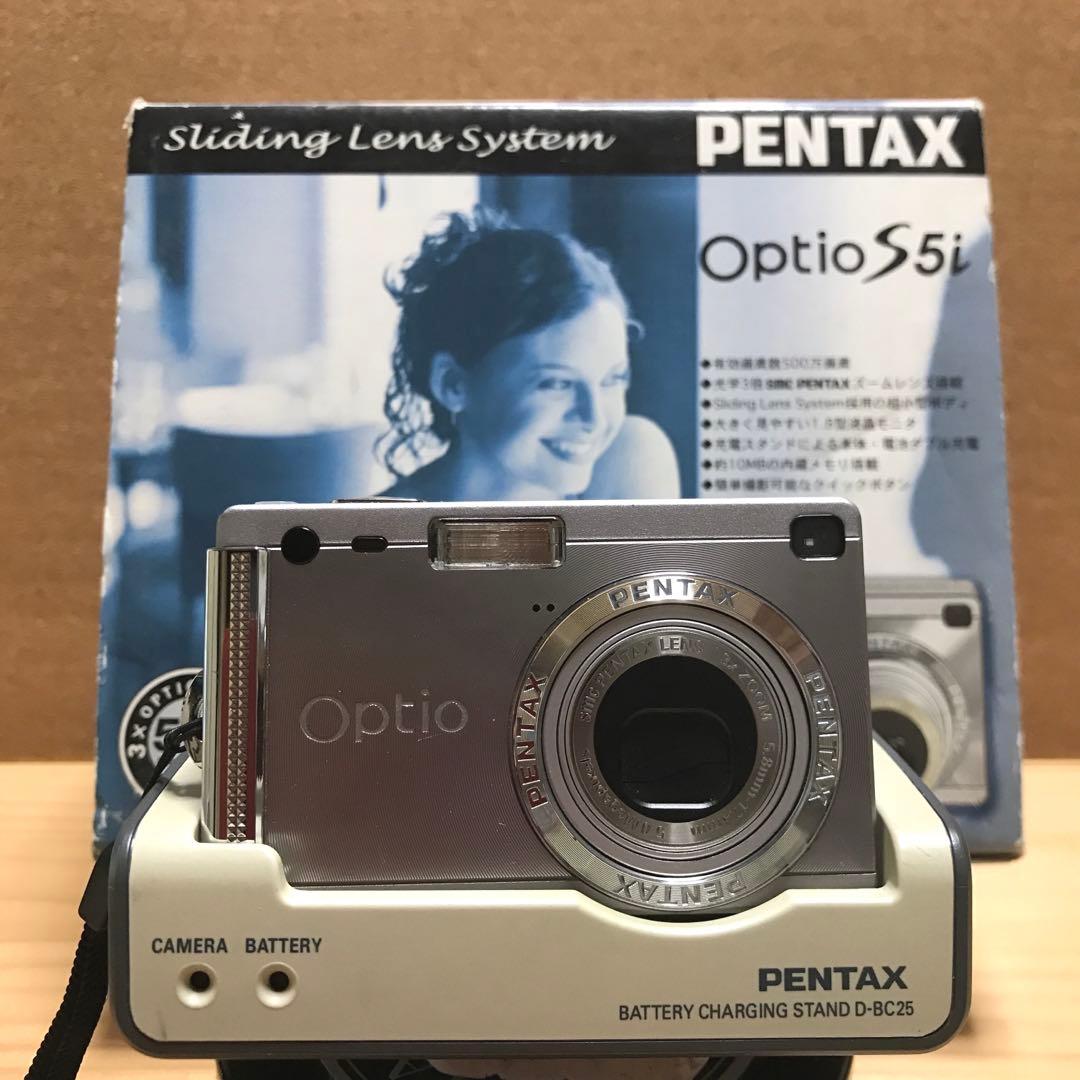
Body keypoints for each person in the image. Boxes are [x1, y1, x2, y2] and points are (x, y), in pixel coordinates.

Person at [377, 209, 680, 500]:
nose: (595, 419)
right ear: (453, 384)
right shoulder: (378, 529)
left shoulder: (631, 459)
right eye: (556, 384)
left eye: (612, 379)